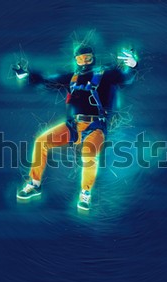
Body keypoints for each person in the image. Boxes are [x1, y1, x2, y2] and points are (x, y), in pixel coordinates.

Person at [14, 45, 138, 210]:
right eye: (80, 59)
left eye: (87, 58)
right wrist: (28, 76)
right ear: (76, 61)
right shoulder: (72, 77)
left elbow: (125, 79)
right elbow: (48, 80)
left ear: (93, 58)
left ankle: (85, 194)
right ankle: (34, 184)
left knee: (88, 153)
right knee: (42, 141)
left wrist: (132, 66)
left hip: (95, 126)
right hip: (72, 126)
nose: (84, 62)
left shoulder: (105, 74)